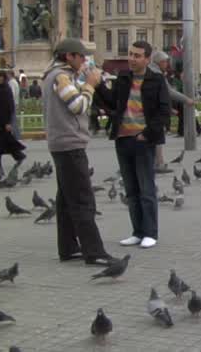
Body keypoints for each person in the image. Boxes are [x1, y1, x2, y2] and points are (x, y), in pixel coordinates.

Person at [42, 38, 115, 266]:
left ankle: (68, 248)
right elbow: (78, 106)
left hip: (60, 144)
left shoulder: (52, 75)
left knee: (66, 200)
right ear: (68, 56)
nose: (84, 60)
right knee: (84, 200)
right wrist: (90, 85)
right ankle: (94, 251)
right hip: (70, 144)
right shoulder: (61, 76)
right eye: (81, 56)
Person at [94, 41, 170, 250]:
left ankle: (150, 233)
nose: (132, 59)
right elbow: (112, 103)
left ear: (147, 59)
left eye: (137, 56)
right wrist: (98, 85)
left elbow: (164, 111)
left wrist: (147, 134)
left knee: (146, 189)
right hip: (123, 139)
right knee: (131, 190)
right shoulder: (123, 77)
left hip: (143, 141)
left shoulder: (156, 80)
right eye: (130, 54)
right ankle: (137, 232)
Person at [149, 51, 199, 170]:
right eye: (166, 61)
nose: (167, 64)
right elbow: (169, 92)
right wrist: (187, 100)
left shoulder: (150, 70)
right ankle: (158, 164)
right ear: (160, 62)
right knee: (157, 137)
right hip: (154, 110)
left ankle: (155, 163)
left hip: (148, 109)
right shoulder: (156, 73)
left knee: (153, 137)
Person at [0, 71, 26, 170]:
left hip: (4, 120)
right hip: (0, 120)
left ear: (1, 78)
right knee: (5, 141)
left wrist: (8, 122)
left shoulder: (6, 89)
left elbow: (9, 106)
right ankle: (18, 156)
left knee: (0, 141)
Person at [6, 67, 21, 138]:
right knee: (13, 120)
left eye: (7, 74)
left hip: (12, 104)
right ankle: (16, 136)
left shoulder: (11, 82)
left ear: (10, 75)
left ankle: (16, 136)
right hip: (14, 103)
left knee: (13, 121)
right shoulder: (14, 82)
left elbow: (11, 94)